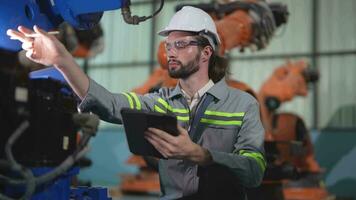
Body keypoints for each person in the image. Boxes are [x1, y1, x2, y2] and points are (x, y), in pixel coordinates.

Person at [7, 6, 265, 200]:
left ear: (206, 52)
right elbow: (108, 103)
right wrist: (61, 60)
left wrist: (201, 154)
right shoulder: (161, 102)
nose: (170, 51)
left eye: (181, 44)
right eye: (168, 45)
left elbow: (254, 170)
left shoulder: (243, 104)